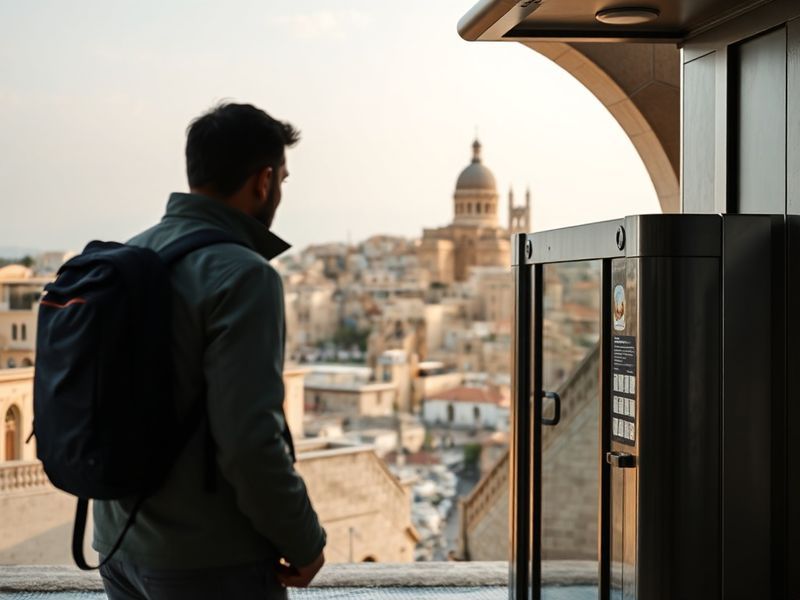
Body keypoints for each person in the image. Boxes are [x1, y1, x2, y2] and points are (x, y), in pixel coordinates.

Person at [93, 103, 326, 600]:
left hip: (118, 547)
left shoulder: (131, 255)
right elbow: (248, 441)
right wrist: (305, 542)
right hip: (209, 560)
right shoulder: (244, 274)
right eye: (282, 178)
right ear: (263, 181)